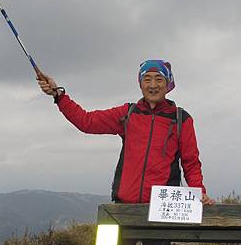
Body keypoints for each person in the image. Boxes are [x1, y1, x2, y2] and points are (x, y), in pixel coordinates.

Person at [36, 59, 214, 206]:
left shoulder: (181, 119)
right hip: (124, 208)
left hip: (162, 209)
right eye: (147, 79)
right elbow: (86, 122)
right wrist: (58, 95)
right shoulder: (127, 114)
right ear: (140, 84)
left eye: (159, 79)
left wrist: (199, 194)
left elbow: (191, 163)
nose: (153, 85)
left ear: (168, 84)